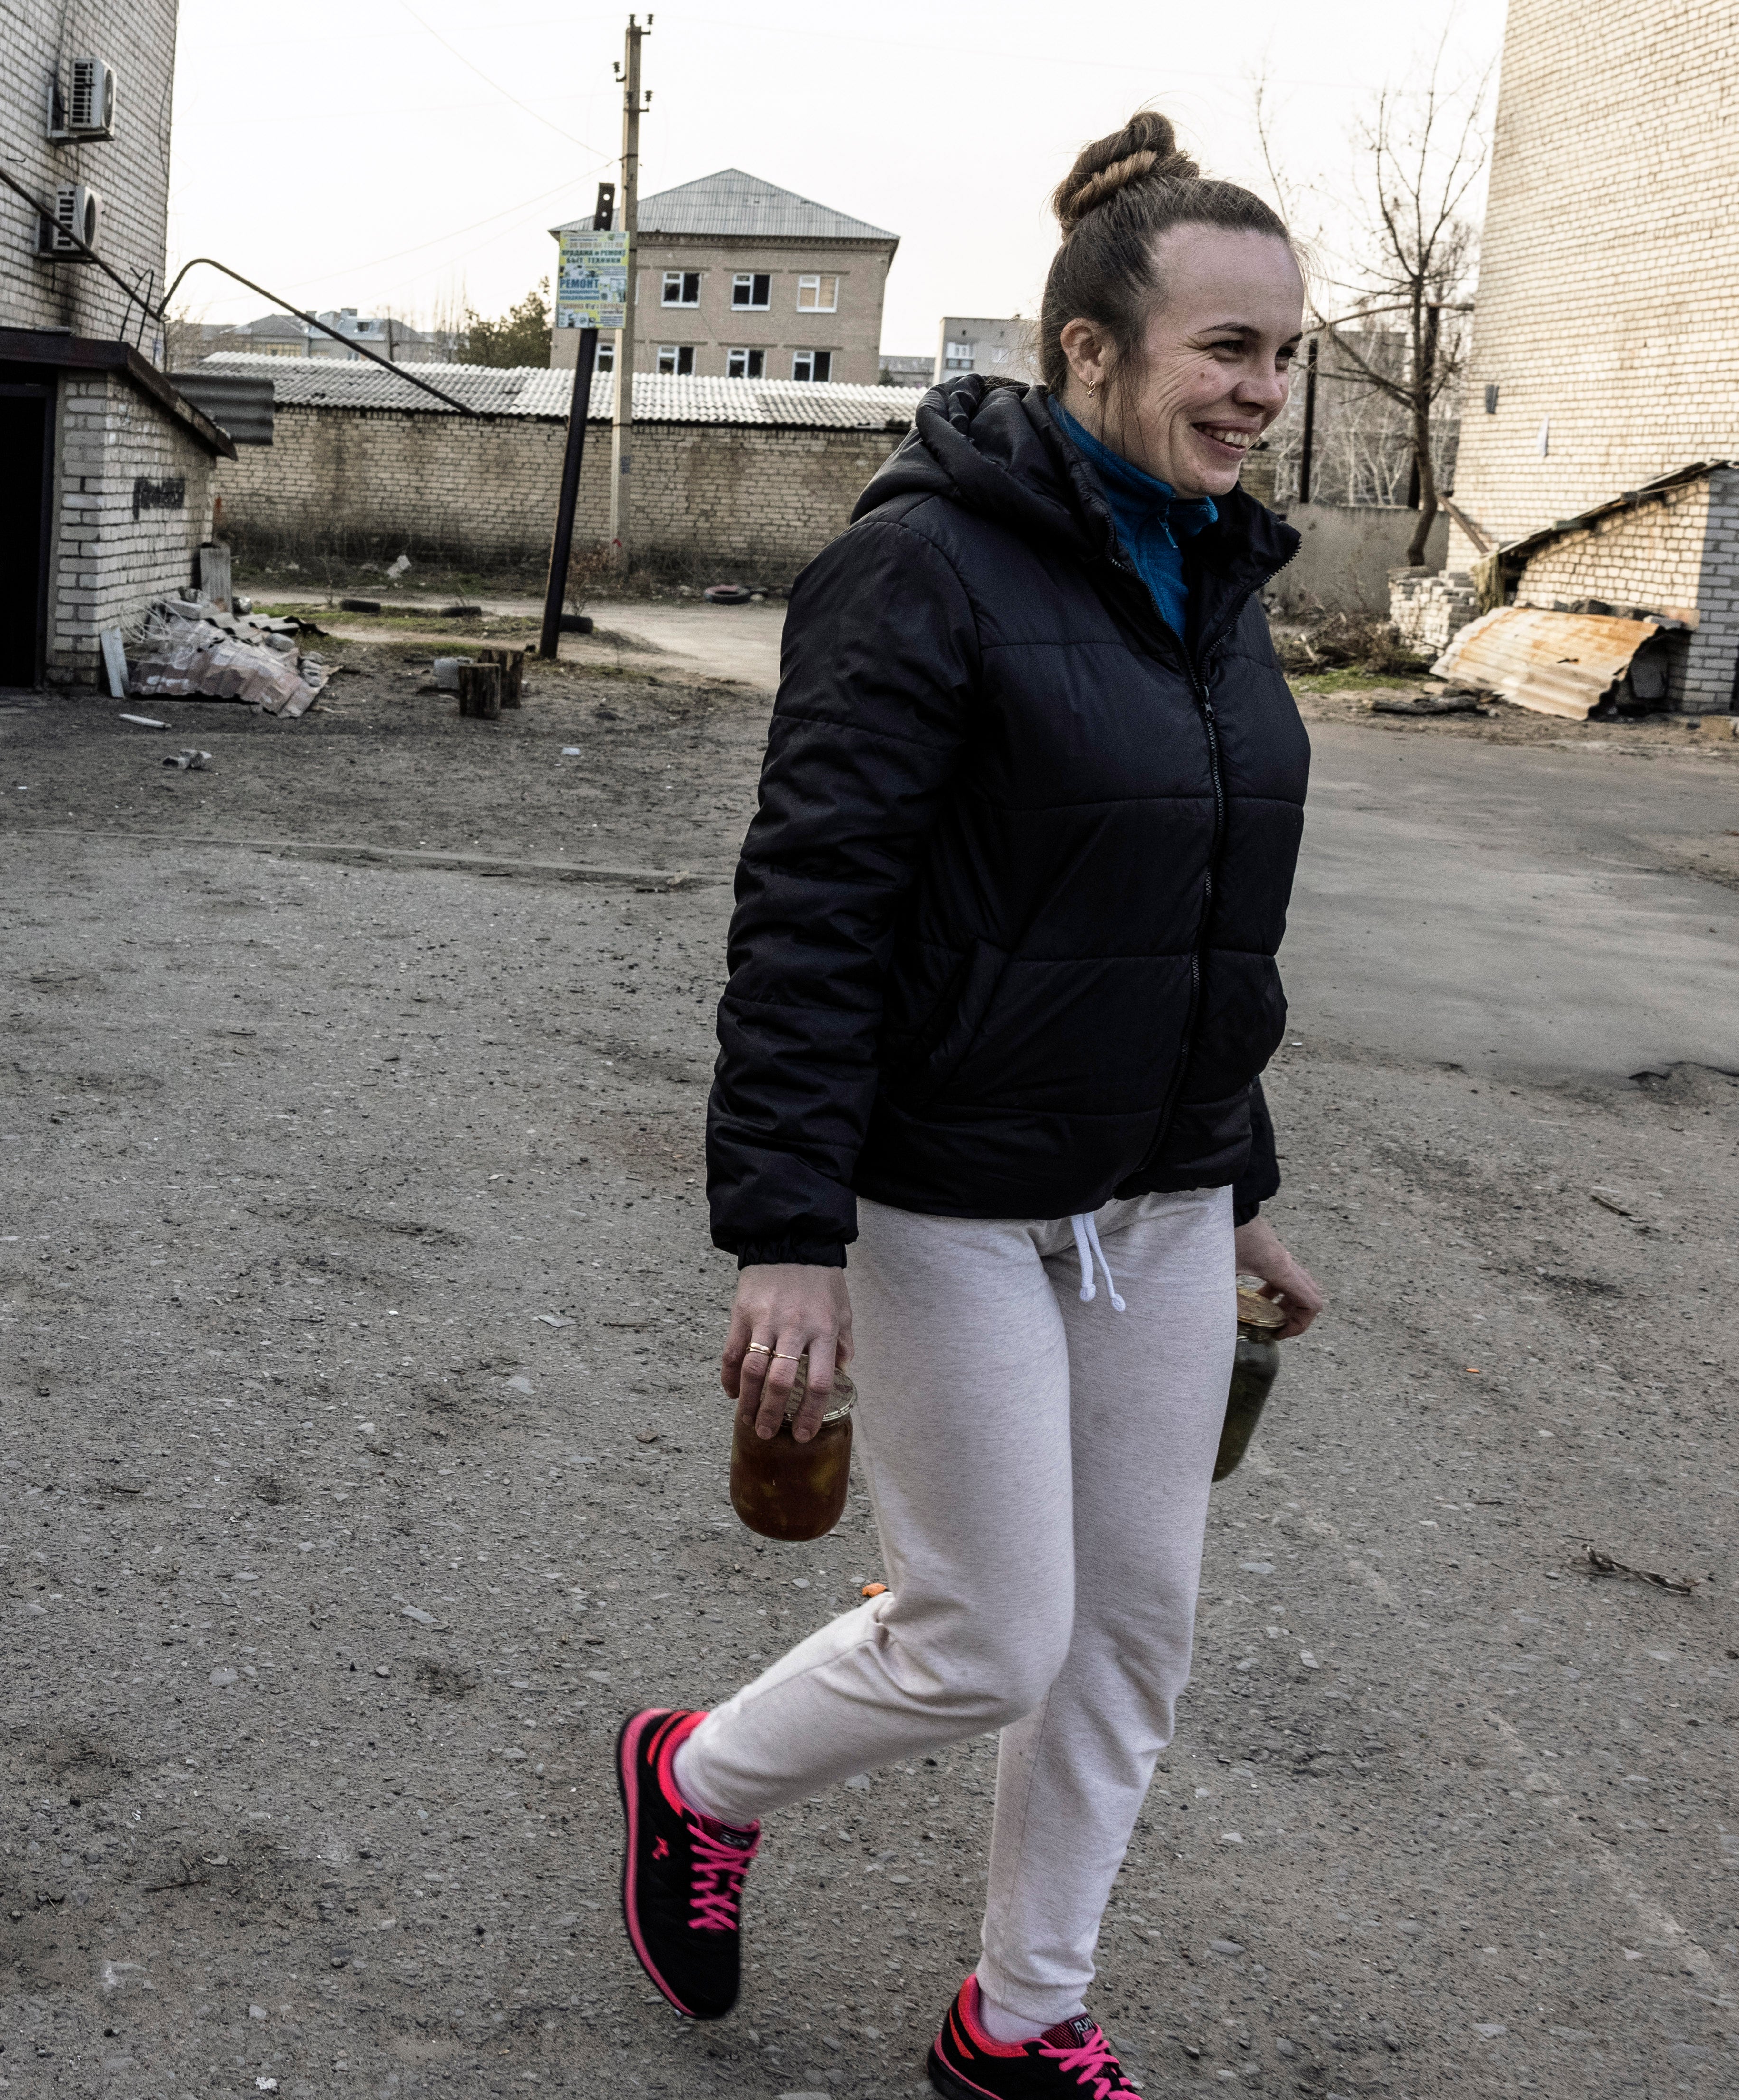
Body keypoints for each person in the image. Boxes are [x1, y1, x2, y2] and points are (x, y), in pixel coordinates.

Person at [615, 114, 1330, 2098]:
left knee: (1133, 1639)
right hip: (949, 1199)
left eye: (1284, 353)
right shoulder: (917, 566)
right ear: (1088, 352)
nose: (1261, 391)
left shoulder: (1218, 578)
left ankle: (1021, 2019)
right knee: (989, 1636)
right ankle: (696, 1773)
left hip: (1164, 1201)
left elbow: (1194, 919)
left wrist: (1243, 1178)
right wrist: (785, 1225)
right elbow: (815, 902)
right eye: (1224, 349)